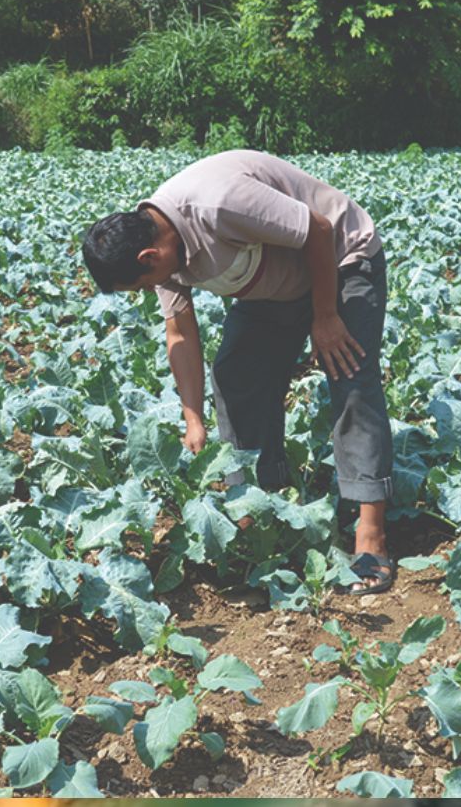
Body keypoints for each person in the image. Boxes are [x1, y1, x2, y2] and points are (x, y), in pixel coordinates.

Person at [81, 149, 395, 595]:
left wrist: (325, 317)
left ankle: (371, 530)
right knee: (235, 374)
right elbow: (180, 333)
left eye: (145, 285)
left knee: (349, 374)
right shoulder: (159, 249)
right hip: (276, 284)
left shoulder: (217, 204)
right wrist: (193, 417)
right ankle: (261, 507)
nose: (152, 291)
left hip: (341, 257)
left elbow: (319, 230)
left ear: (150, 257)